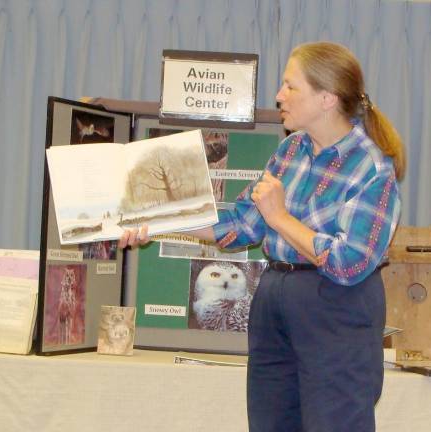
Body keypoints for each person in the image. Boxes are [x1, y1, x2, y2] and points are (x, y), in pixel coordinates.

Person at [119, 41, 405, 432]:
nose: (278, 96)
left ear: (326, 98)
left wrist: (282, 217)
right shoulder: (290, 150)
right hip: (275, 299)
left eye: (290, 87)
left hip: (335, 307)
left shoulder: (371, 167)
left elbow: (351, 262)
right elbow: (241, 224)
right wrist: (155, 222)